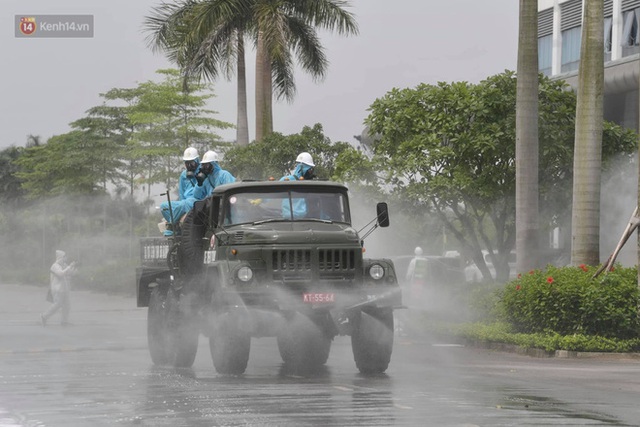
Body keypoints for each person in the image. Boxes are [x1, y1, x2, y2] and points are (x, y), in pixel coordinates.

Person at [159, 147, 201, 236]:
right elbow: (182, 193)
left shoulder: (202, 172)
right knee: (164, 207)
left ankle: (171, 226)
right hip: (185, 202)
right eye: (187, 163)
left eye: (192, 163)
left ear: (197, 161)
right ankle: (177, 226)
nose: (189, 165)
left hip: (198, 200)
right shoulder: (183, 175)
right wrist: (181, 209)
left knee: (184, 204)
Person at [41, 250, 77, 327]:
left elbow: (70, 273)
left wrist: (73, 268)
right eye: (64, 257)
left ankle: (64, 321)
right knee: (57, 304)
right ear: (60, 257)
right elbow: (61, 274)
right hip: (57, 289)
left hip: (65, 288)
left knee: (67, 305)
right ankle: (44, 316)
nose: (65, 258)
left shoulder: (64, 265)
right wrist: (69, 267)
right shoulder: (55, 266)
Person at [280, 152, 316, 219]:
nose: (310, 172)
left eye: (311, 169)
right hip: (288, 220)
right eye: (309, 169)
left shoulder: (311, 184)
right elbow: (270, 194)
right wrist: (258, 199)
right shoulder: (286, 180)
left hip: (307, 220)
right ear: (301, 167)